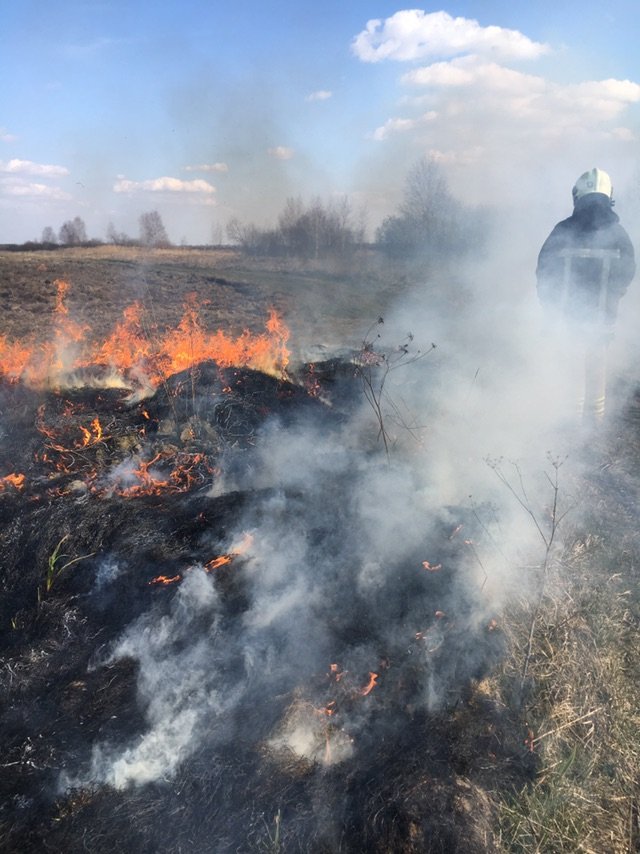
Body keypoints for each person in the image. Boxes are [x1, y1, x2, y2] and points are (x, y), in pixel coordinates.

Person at [536, 167, 635, 424]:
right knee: (596, 360)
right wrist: (614, 296)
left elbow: (544, 270)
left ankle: (571, 420)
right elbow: (627, 272)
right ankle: (595, 422)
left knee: (571, 359)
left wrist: (550, 305)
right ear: (608, 196)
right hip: (603, 315)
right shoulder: (619, 235)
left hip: (566, 315)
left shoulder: (563, 230)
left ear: (578, 196)